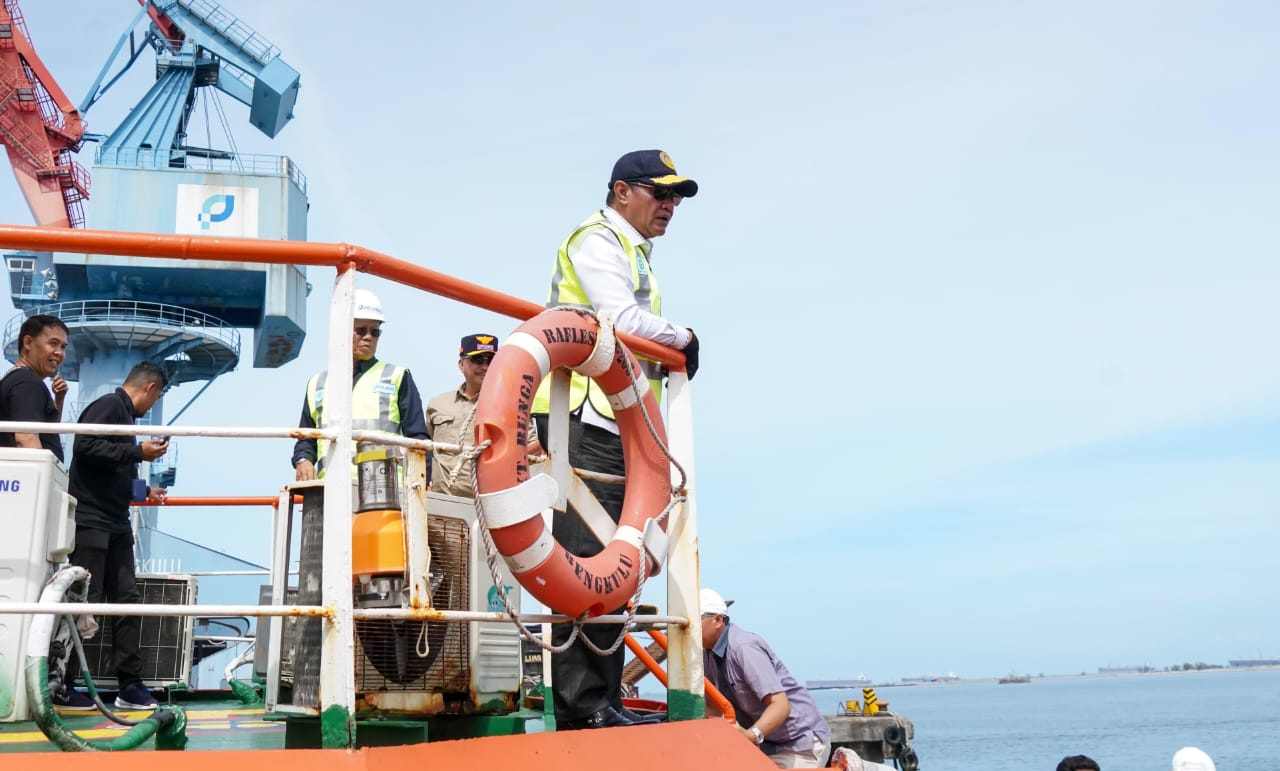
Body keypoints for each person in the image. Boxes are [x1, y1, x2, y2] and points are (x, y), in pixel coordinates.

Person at [530, 149, 701, 730]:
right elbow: (618, 320)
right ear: (622, 191)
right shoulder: (598, 239)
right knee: (584, 560)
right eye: (662, 193)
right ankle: (582, 708)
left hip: (612, 425)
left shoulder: (633, 251)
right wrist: (683, 337)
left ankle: (605, 698)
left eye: (676, 197)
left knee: (617, 563)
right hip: (579, 418)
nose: (671, 206)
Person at [65, 360, 170, 711]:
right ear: (150, 389)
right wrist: (137, 451)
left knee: (126, 600)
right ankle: (62, 683)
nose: (151, 407)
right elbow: (85, 449)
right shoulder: (109, 406)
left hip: (116, 521)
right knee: (85, 601)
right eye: (154, 400)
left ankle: (130, 684)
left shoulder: (125, 419)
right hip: (92, 519)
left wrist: (143, 490)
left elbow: (112, 465)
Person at [291, 288, 429, 482]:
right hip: (331, 491)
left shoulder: (397, 376)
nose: (368, 337)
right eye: (361, 330)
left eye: (375, 332)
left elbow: (418, 439)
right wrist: (303, 460)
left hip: (384, 493)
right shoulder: (317, 384)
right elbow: (306, 437)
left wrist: (422, 483)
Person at [701, 588, 831, 768]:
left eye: (695, 621)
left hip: (799, 743)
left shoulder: (744, 648)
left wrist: (751, 735)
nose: (688, 628)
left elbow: (780, 705)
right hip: (768, 744)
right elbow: (713, 707)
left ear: (717, 620)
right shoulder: (706, 654)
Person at [427, 334, 541, 497]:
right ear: (461, 364)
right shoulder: (437, 404)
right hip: (441, 501)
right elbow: (428, 449)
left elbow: (532, 448)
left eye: (491, 361)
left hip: (488, 503)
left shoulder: (511, 406)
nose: (485, 366)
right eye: (478, 360)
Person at [0, 314, 70, 460]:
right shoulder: (27, 383)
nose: (59, 353)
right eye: (53, 343)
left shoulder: (17, 380)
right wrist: (41, 480)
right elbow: (27, 438)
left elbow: (46, 432)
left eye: (63, 347)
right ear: (27, 342)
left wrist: (59, 400)